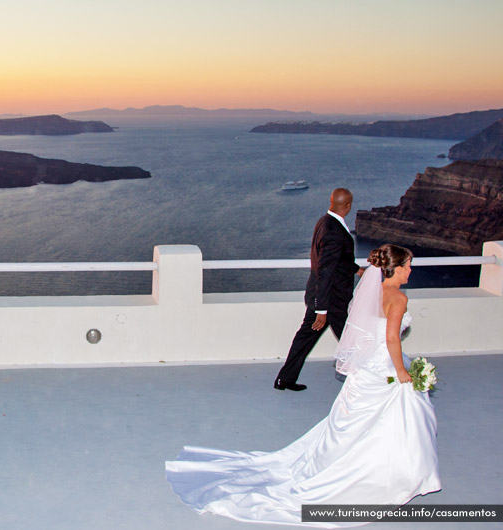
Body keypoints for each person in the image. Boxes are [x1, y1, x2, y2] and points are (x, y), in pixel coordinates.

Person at [165, 244, 441, 527]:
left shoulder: (371, 293)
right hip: (384, 369)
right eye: (408, 264)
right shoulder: (398, 299)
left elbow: (365, 333)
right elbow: (392, 340)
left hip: (365, 370)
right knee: (398, 420)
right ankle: (395, 477)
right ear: (395, 267)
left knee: (356, 426)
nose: (410, 270)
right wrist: (401, 372)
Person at [275, 188, 361, 391]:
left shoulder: (325, 222)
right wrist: (321, 309)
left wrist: (356, 269)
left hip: (323, 297)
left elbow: (335, 261)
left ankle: (284, 379)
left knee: (306, 337)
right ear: (348, 206)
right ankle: (366, 383)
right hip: (330, 300)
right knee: (350, 340)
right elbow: (325, 270)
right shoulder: (333, 230)